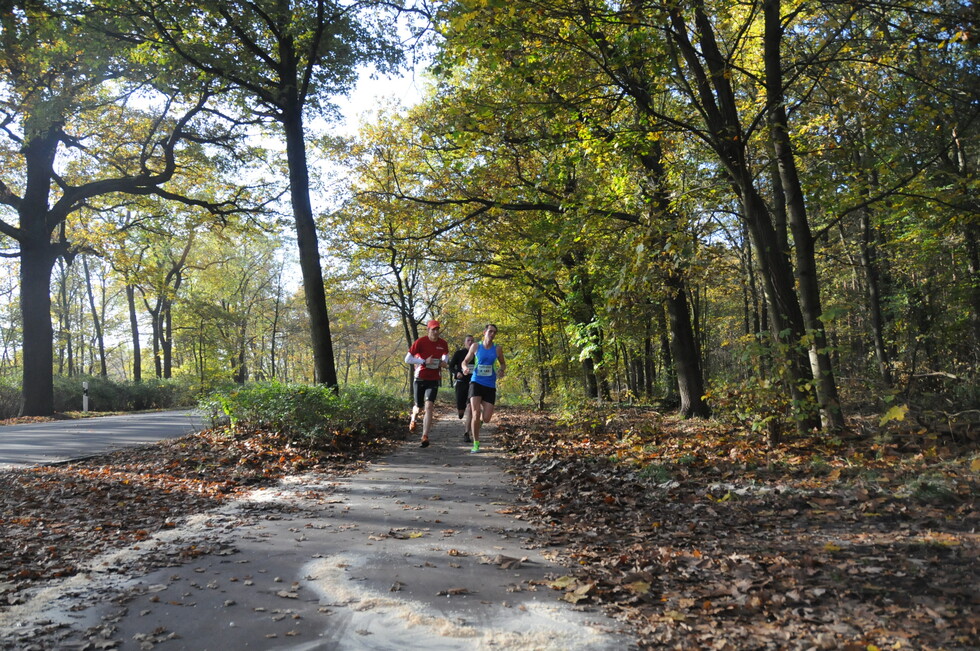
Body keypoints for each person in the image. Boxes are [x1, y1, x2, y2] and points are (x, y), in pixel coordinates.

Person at [404, 319, 449, 447]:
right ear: (428, 330)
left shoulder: (443, 343)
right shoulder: (420, 342)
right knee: (419, 406)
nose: (436, 332)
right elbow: (407, 359)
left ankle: (425, 436)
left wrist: (444, 362)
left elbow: (446, 355)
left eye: (437, 329)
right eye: (433, 329)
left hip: (433, 379)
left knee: (429, 406)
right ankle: (413, 419)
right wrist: (424, 361)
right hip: (420, 378)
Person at [461, 323, 506, 453]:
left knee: (486, 418)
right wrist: (464, 368)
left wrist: (501, 370)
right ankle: (476, 443)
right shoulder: (476, 346)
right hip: (476, 382)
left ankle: (479, 423)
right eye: (490, 331)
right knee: (475, 413)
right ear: (484, 332)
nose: (492, 334)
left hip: (490, 384)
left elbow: (503, 363)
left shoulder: (497, 349)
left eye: (494, 333)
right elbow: (465, 361)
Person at [448, 334, 475, 442]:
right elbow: (451, 367)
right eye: (468, 340)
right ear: (465, 342)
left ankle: (466, 433)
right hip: (461, 382)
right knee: (461, 409)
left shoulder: (477, 354)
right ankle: (460, 411)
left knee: (470, 407)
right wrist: (456, 373)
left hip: (473, 383)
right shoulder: (459, 353)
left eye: (472, 341)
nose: (470, 342)